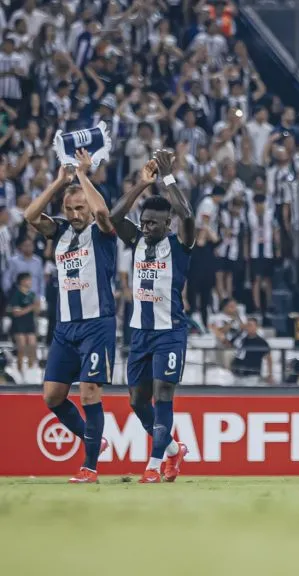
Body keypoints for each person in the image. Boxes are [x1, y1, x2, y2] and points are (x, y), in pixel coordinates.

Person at [24, 155, 122, 482]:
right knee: (52, 396)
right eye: (70, 209)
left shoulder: (103, 232)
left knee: (90, 391)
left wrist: (82, 175)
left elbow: (104, 212)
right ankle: (96, 440)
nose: (76, 214)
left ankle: (90, 466)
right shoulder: (62, 232)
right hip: (65, 327)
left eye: (80, 208)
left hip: (97, 323)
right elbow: (29, 214)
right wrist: (59, 182)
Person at [110, 149, 195, 484]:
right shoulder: (137, 241)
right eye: (143, 222)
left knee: (163, 393)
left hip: (170, 332)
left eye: (153, 223)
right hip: (140, 333)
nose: (145, 227)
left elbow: (187, 215)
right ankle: (174, 450)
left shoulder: (180, 245)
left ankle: (155, 464)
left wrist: (168, 175)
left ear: (167, 224)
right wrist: (140, 186)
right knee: (135, 401)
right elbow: (114, 219)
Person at [9, 272, 39, 377]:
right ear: (22, 281)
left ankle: (30, 371)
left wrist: (37, 306)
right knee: (21, 348)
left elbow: (36, 311)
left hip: (30, 324)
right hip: (18, 325)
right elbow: (16, 312)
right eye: (28, 280)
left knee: (32, 347)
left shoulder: (32, 294)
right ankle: (19, 370)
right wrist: (31, 307)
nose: (30, 282)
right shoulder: (16, 294)